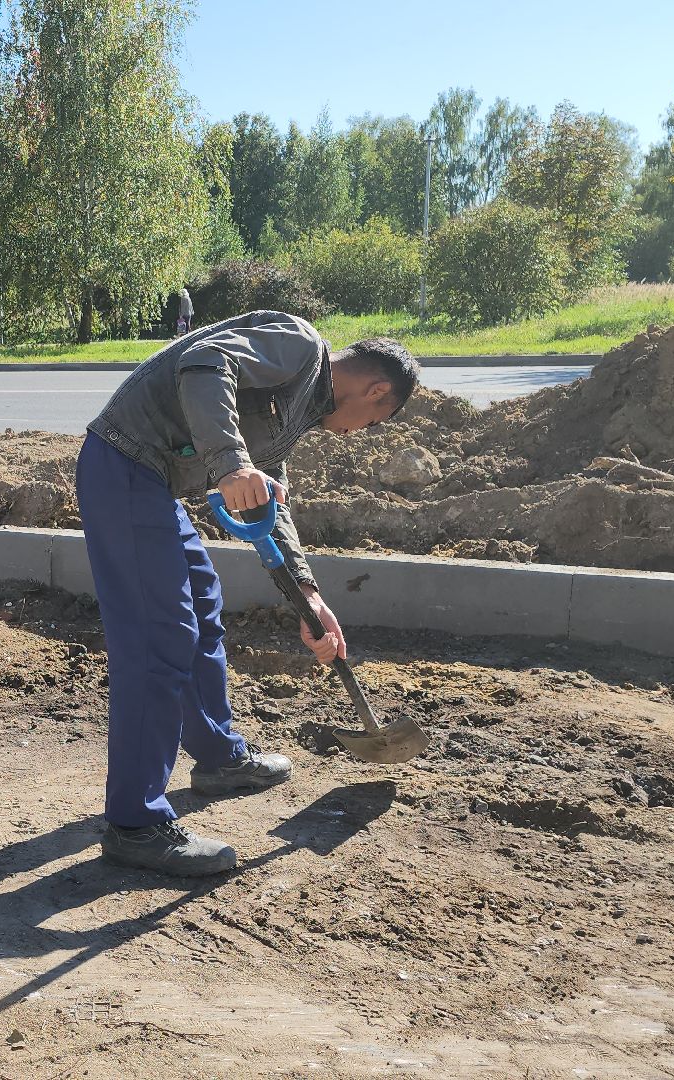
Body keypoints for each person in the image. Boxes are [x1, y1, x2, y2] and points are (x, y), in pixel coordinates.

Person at [80, 310, 420, 875]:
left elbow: (270, 507)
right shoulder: (298, 345)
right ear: (377, 391)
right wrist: (232, 463)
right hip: (122, 465)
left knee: (201, 597)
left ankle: (217, 756)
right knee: (160, 636)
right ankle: (135, 823)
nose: (362, 431)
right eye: (376, 420)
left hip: (151, 483)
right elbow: (205, 364)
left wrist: (307, 596)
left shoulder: (296, 411)